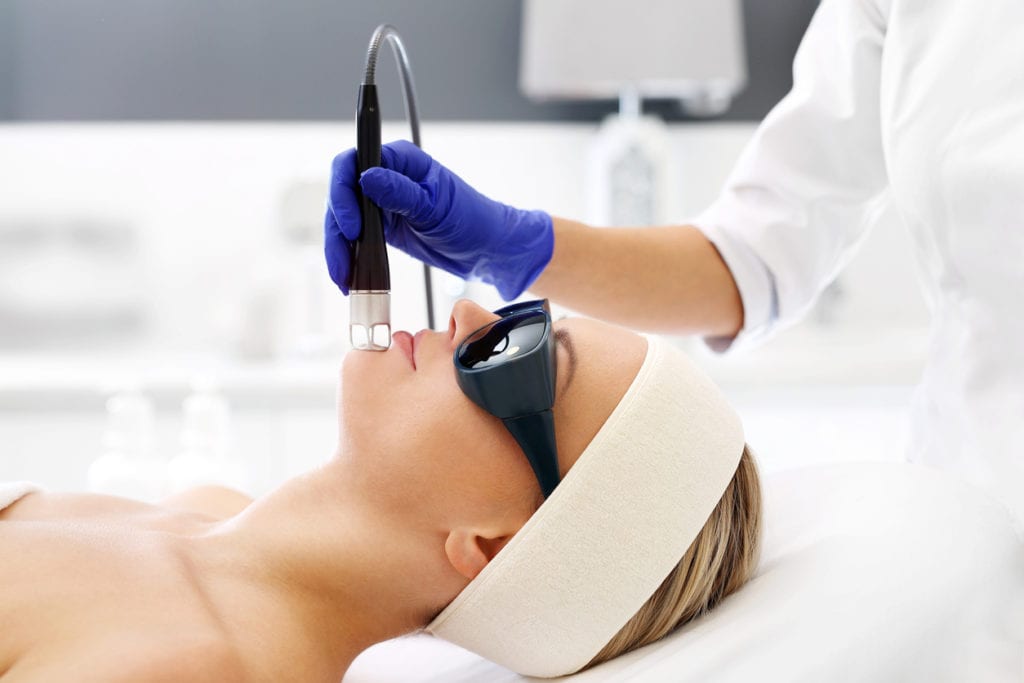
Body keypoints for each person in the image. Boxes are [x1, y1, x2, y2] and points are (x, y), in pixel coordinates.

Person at [325, 0, 1024, 526]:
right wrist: (507, 244)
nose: (469, 316)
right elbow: (752, 258)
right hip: (974, 508)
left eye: (549, 361)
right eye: (534, 352)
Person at [0, 300, 761, 682]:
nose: (469, 314)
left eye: (518, 359)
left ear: (492, 545)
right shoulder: (206, 511)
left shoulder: (189, 666)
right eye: (521, 315)